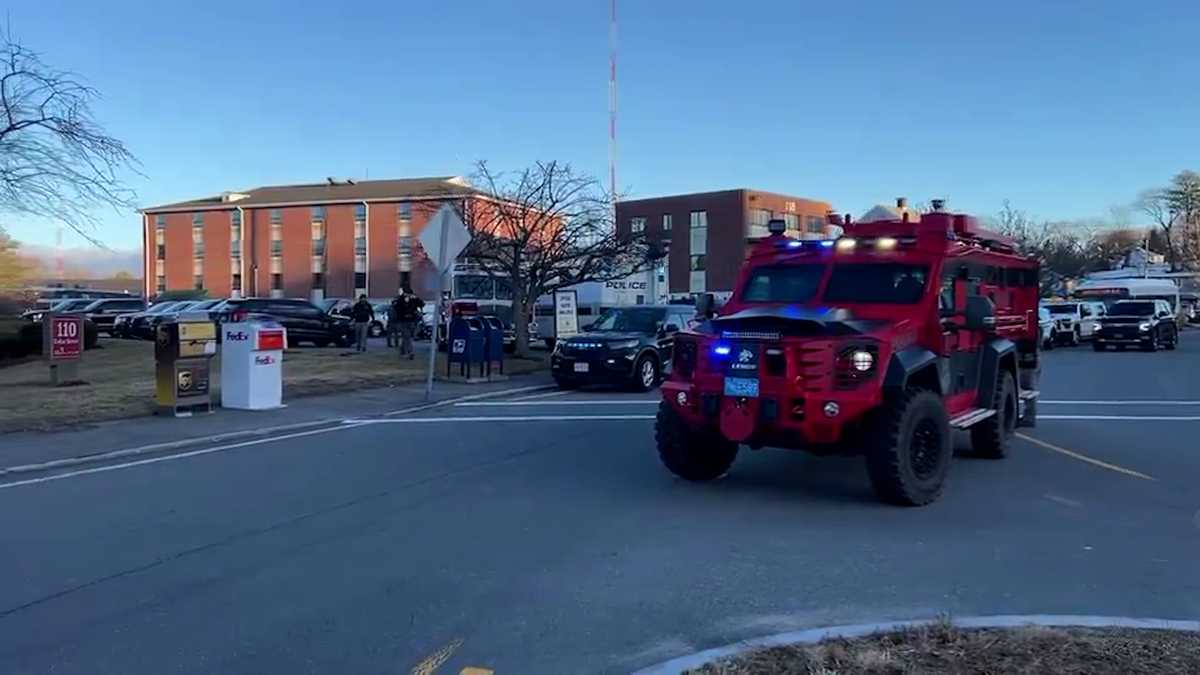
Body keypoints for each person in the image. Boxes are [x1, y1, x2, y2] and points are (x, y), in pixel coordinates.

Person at [391, 286, 425, 359]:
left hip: (412, 321)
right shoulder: (400, 300)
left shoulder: (413, 300)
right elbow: (396, 308)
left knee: (407, 338)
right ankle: (410, 352)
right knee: (407, 337)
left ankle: (402, 351)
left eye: (409, 294)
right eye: (406, 294)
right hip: (403, 321)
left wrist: (416, 298)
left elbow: (422, 304)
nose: (407, 295)